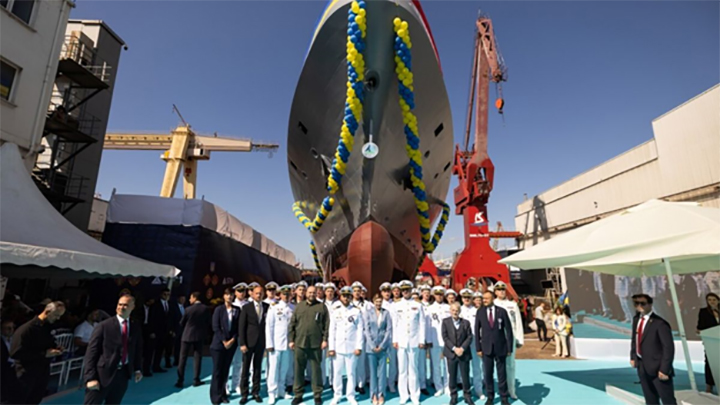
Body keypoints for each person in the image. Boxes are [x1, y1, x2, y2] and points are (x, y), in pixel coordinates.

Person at [83, 295, 143, 405]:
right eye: (120, 304)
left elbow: (136, 349)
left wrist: (137, 369)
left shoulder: (135, 326)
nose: (122, 307)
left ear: (132, 307)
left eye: (125, 305)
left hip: (122, 375)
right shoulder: (104, 326)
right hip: (101, 375)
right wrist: (90, 378)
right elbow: (91, 353)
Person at [10, 301, 66, 405]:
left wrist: (57, 348)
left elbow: (48, 343)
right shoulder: (27, 329)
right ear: (47, 312)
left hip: (41, 373)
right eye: (56, 315)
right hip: (25, 374)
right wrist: (43, 354)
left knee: (35, 400)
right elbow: (15, 353)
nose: (58, 319)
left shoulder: (47, 328)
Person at [630, 293, 677, 405]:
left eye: (643, 303)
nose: (639, 306)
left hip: (658, 368)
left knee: (667, 399)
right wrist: (633, 356)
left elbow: (668, 348)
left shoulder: (660, 324)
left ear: (650, 304)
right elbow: (635, 340)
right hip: (642, 366)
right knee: (650, 399)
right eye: (636, 303)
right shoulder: (636, 319)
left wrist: (664, 369)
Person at [289, 285, 329, 405]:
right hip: (300, 343)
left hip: (316, 343)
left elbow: (326, 325)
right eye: (310, 292)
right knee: (298, 370)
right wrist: (291, 340)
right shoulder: (299, 306)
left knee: (316, 370)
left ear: (317, 293)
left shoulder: (321, 307)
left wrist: (325, 340)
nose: (312, 294)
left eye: (314, 292)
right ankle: (298, 394)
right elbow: (292, 324)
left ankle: (317, 394)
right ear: (306, 293)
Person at [475, 291, 513, 405]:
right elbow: (477, 331)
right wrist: (478, 348)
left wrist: (509, 348)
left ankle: (504, 397)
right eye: (483, 298)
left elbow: (508, 330)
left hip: (500, 347)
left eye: (487, 298)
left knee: (502, 374)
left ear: (492, 299)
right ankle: (490, 397)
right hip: (486, 348)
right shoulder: (480, 312)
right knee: (488, 374)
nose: (484, 300)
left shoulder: (501, 311)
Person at [328, 286, 364, 405]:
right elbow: (332, 331)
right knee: (337, 373)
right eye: (344, 296)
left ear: (351, 297)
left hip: (351, 347)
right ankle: (337, 395)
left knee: (351, 373)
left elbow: (360, 330)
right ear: (340, 297)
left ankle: (351, 395)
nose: (346, 298)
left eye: (348, 296)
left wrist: (359, 347)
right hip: (338, 347)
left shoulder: (356, 311)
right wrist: (331, 348)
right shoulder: (335, 311)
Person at [393, 280, 426, 405]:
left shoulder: (418, 305)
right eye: (403, 290)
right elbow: (395, 324)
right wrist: (395, 340)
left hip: (414, 340)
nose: (405, 292)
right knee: (402, 370)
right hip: (401, 341)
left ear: (411, 290)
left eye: (407, 289)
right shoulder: (396, 305)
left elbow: (422, 323)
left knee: (413, 369)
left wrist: (421, 340)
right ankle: (403, 395)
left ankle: (414, 395)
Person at [493, 281, 523, 400]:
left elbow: (518, 322)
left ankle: (511, 390)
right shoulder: (492, 304)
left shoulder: (512, 305)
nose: (501, 292)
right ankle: (501, 389)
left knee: (510, 365)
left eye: (503, 289)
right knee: (498, 365)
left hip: (510, 338)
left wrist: (519, 339)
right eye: (499, 290)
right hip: (497, 338)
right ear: (495, 292)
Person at [238, 285, 269, 404]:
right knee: (245, 368)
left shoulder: (267, 307)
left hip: (261, 342)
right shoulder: (246, 308)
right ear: (252, 294)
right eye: (256, 293)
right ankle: (244, 393)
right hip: (249, 342)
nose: (259, 295)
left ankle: (255, 392)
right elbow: (242, 327)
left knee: (257, 368)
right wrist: (242, 343)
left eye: (260, 293)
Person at [266, 285, 295, 404]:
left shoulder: (293, 307)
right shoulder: (274, 307)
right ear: (280, 295)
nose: (286, 296)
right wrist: (269, 343)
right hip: (276, 343)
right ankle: (272, 393)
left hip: (288, 344)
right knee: (273, 369)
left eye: (288, 294)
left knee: (284, 368)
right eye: (284, 294)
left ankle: (281, 390)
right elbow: (269, 326)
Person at [211, 288, 241, 405]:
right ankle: (215, 396)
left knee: (225, 370)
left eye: (231, 295)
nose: (229, 297)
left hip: (231, 345)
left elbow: (238, 327)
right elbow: (215, 327)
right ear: (224, 296)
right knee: (217, 371)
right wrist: (224, 341)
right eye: (227, 294)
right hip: (218, 345)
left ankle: (223, 394)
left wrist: (232, 340)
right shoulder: (219, 310)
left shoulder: (237, 310)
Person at [176, 292, 210, 388]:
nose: (189, 299)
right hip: (199, 336)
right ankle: (196, 379)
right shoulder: (205, 309)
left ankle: (180, 380)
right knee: (198, 358)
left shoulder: (188, 309)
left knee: (182, 358)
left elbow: (182, 322)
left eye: (190, 298)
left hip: (187, 335)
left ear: (194, 298)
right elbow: (208, 322)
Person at [442, 302, 474, 405]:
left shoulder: (466, 323)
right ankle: (454, 396)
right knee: (452, 376)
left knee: (465, 376)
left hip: (464, 354)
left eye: (457, 310)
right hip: (451, 353)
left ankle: (467, 395)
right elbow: (445, 337)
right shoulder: (445, 322)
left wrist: (462, 348)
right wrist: (454, 348)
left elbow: (469, 337)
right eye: (453, 310)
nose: (455, 312)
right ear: (450, 311)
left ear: (459, 311)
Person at [364, 293, 392, 405]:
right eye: (376, 301)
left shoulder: (386, 313)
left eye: (380, 302)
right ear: (373, 302)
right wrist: (372, 345)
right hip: (371, 348)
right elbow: (366, 330)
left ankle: (381, 394)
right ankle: (373, 394)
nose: (378, 303)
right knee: (373, 373)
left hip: (383, 348)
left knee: (382, 373)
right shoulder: (368, 313)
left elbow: (388, 330)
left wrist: (382, 345)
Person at [459, 289, 484, 400]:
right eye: (464, 297)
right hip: (463, 343)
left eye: (468, 297)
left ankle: (478, 389)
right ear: (461, 298)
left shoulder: (477, 311)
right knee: (463, 368)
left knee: (476, 367)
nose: (466, 299)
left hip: (474, 342)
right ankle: (466, 390)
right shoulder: (459, 310)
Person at [427, 286, 450, 396]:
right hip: (434, 339)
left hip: (447, 340)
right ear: (434, 295)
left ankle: (447, 386)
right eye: (437, 294)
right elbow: (428, 326)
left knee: (448, 365)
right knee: (436, 365)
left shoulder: (448, 307)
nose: (439, 296)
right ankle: (438, 387)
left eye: (441, 294)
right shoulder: (430, 308)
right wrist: (428, 340)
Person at [351, 281, 372, 395]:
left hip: (363, 335)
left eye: (358, 291)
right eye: (354, 291)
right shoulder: (348, 304)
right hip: (350, 335)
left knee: (361, 361)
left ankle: (360, 384)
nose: (357, 293)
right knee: (351, 361)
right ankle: (352, 383)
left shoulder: (367, 305)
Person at [697, 292, 719, 394]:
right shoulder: (703, 312)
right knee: (709, 363)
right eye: (709, 300)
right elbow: (700, 326)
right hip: (711, 341)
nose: (712, 302)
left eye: (714, 300)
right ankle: (709, 385)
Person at [230, 282, 249, 395]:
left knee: (239, 362)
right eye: (239, 291)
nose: (242, 293)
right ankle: (225, 385)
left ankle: (236, 384)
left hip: (243, 337)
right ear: (235, 292)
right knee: (228, 363)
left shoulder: (248, 305)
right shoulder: (231, 305)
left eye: (243, 291)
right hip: (232, 336)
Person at [150, 288, 174, 373]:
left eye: (168, 294)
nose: (166, 296)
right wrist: (152, 331)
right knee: (154, 350)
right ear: (161, 294)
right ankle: (152, 366)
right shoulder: (155, 305)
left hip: (166, 331)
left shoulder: (169, 304)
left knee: (162, 349)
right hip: (157, 331)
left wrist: (171, 329)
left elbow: (171, 318)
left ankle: (158, 365)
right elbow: (152, 318)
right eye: (165, 294)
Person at [380, 283, 398, 393]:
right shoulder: (378, 304)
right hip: (381, 338)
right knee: (381, 363)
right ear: (381, 293)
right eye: (385, 291)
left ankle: (391, 383)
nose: (387, 293)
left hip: (392, 337)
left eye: (388, 291)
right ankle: (381, 383)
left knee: (393, 363)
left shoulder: (395, 305)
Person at [1, 319, 18, 404]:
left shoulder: (15, 339)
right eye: (8, 328)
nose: (11, 330)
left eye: (12, 328)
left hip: (15, 366)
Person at [141, 298, 156, 376]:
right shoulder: (139, 308)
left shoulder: (153, 308)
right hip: (140, 330)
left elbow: (155, 321)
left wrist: (152, 331)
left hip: (149, 330)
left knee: (149, 351)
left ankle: (146, 369)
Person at [173, 295, 187, 367]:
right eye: (181, 299)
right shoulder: (174, 308)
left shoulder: (186, 308)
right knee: (175, 346)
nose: (183, 300)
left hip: (184, 330)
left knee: (182, 346)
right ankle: (175, 360)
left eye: (184, 299)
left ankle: (180, 360)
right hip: (176, 329)